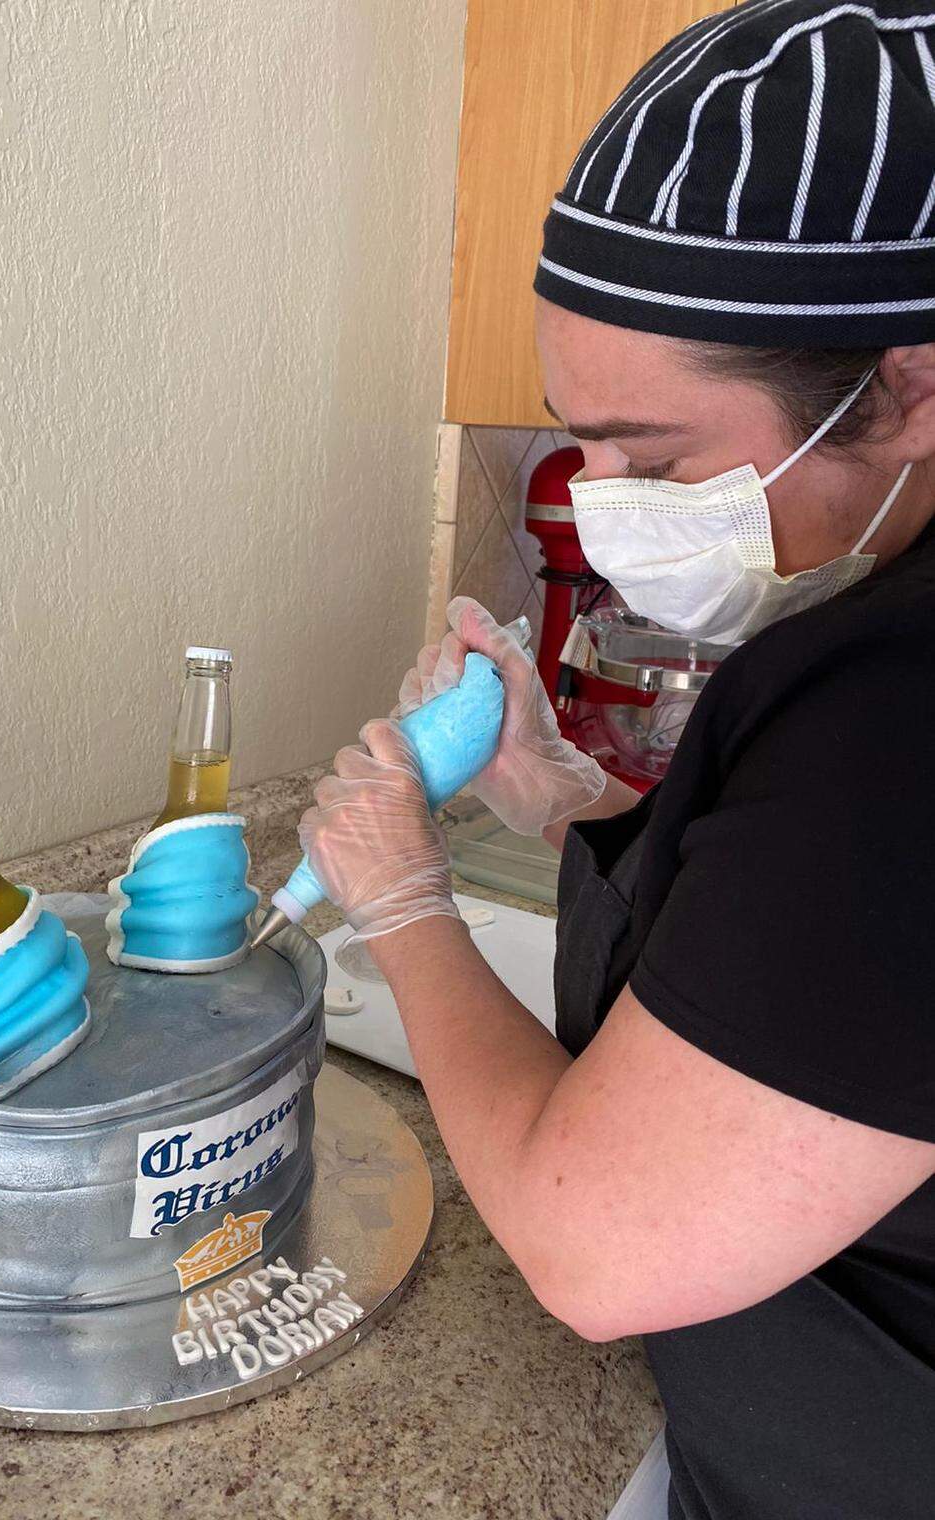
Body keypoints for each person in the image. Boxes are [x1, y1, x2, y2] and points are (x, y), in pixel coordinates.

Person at [298, 3, 935, 1517]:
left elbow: (598, 1250)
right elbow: (842, 980)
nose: (610, 507)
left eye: (657, 460)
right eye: (587, 449)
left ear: (906, 388)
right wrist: (574, 801)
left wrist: (404, 906)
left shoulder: (897, 712)